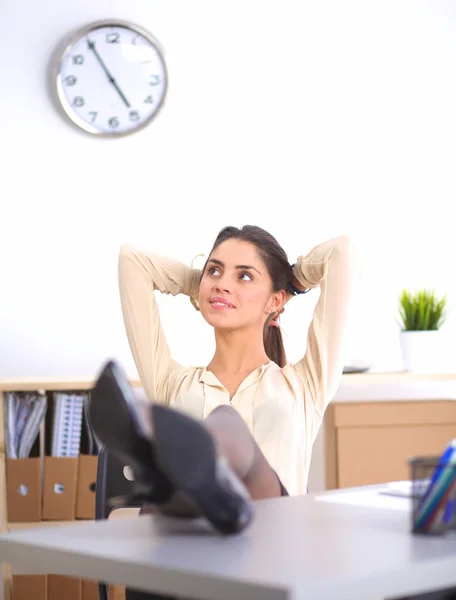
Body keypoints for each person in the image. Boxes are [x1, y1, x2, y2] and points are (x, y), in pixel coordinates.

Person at [90, 225, 358, 536]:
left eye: (244, 276)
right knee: (211, 442)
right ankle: (190, 485)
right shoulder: (172, 382)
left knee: (226, 421)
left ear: (275, 301)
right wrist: (203, 287)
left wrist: (291, 280)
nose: (222, 284)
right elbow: (132, 261)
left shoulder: (304, 383)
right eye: (215, 271)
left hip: (276, 548)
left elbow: (341, 253)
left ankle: (172, 470)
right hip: (196, 552)